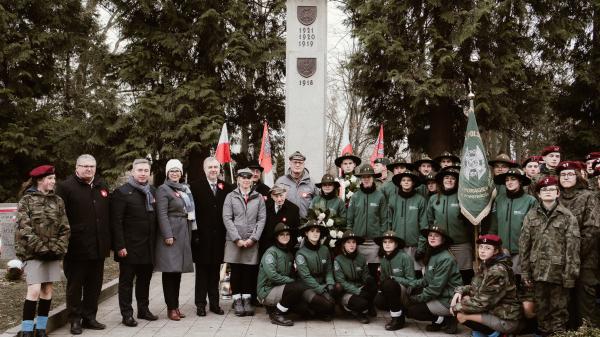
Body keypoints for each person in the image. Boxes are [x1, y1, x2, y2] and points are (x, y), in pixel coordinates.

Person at [519, 176, 580, 336]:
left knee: (559, 312)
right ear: (538, 194)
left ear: (558, 193)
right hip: (537, 272)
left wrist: (570, 275)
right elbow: (524, 246)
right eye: (544, 190)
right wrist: (525, 272)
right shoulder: (531, 216)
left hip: (558, 273)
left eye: (552, 189)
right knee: (541, 311)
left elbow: (572, 248)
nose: (548, 192)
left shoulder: (567, 216)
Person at [55, 155, 110, 334]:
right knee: (75, 286)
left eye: (92, 166)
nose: (88, 169)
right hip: (76, 247)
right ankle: (75, 319)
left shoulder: (101, 185)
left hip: (98, 245)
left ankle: (89, 317)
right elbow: (59, 217)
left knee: (94, 285)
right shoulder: (65, 187)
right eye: (84, 166)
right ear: (76, 167)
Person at [16, 165, 70, 337]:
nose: (54, 182)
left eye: (54, 179)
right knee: (34, 290)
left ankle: (41, 329)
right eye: (50, 179)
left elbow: (65, 227)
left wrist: (56, 248)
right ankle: (26, 331)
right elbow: (24, 228)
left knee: (47, 290)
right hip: (33, 253)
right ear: (40, 180)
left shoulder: (58, 201)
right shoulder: (26, 200)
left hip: (52, 252)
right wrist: (41, 248)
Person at [110, 158, 158, 327]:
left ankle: (143, 310)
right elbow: (116, 222)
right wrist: (120, 246)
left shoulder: (152, 191)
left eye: (146, 170)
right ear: (133, 172)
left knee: (145, 280)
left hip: (148, 246)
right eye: (140, 170)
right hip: (129, 247)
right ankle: (127, 314)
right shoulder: (122, 192)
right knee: (126, 282)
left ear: (149, 173)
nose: (143, 173)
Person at [556, 161, 600, 328]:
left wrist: (573, 254)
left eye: (570, 174)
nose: (566, 177)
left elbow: (592, 229)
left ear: (577, 176)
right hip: (560, 259)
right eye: (563, 174)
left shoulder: (588, 196)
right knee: (565, 302)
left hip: (586, 259)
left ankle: (589, 332)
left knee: (585, 300)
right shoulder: (555, 197)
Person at [450, 234, 522, 336]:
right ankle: (484, 332)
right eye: (481, 247)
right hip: (493, 310)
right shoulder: (486, 264)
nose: (482, 251)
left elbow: (482, 303)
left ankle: (500, 334)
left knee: (460, 314)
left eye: (487, 248)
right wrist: (460, 290)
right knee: (463, 299)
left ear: (496, 251)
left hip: (505, 319)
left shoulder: (497, 270)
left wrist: (456, 307)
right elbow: (475, 288)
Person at [190, 157, 233, 316]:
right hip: (201, 238)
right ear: (204, 169)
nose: (213, 170)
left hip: (219, 238)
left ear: (219, 169)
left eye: (216, 167)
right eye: (210, 167)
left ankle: (215, 303)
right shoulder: (194, 187)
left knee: (215, 272)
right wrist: (194, 234)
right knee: (201, 273)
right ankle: (200, 304)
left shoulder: (227, 187)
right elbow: (191, 213)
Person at [154, 159, 195, 321]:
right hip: (171, 233)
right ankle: (170, 308)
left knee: (177, 272)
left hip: (183, 230)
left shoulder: (185, 189)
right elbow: (161, 214)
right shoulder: (163, 189)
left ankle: (176, 306)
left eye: (177, 170)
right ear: (167, 173)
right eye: (171, 171)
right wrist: (167, 235)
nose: (175, 173)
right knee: (170, 271)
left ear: (181, 173)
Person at [223, 168, 266, 316]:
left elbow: (261, 219)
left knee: (249, 271)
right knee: (236, 271)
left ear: (253, 180)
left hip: (251, 241)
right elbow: (227, 218)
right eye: (243, 177)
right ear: (238, 179)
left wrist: (253, 238)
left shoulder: (258, 197)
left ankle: (247, 299)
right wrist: (237, 239)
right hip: (235, 241)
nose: (246, 180)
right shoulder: (230, 197)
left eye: (249, 178)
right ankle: (237, 300)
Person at [405, 226, 462, 334]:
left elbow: (436, 288)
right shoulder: (433, 253)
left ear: (443, 239)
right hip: (437, 295)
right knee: (410, 297)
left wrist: (417, 298)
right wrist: (411, 284)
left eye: (436, 236)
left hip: (447, 299)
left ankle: (448, 318)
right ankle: (440, 319)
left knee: (412, 311)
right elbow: (426, 280)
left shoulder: (446, 258)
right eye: (430, 235)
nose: (432, 238)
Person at [426, 167, 474, 284]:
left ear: (457, 181)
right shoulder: (433, 199)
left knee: (464, 273)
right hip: (441, 244)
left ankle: (464, 298)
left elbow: (472, 221)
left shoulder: (463, 198)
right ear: (442, 181)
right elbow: (430, 221)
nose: (449, 180)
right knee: (443, 273)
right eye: (446, 178)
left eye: (453, 178)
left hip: (461, 243)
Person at [489, 168, 537, 276]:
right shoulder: (499, 200)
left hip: (521, 250)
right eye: (507, 180)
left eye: (513, 179)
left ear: (520, 181)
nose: (509, 182)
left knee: (518, 278)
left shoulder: (530, 201)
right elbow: (494, 224)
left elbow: (535, 228)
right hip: (502, 249)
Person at [257, 223, 307, 326]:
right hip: (267, 291)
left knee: (305, 310)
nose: (285, 237)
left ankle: (274, 308)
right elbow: (273, 276)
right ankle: (276, 314)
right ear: (276, 237)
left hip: (281, 289)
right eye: (282, 234)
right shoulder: (271, 253)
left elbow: (291, 274)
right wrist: (293, 282)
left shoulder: (288, 253)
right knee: (297, 287)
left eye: (287, 234)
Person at [346, 164, 388, 278]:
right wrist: (350, 237)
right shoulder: (355, 197)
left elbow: (384, 220)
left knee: (374, 273)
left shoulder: (380, 196)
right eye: (363, 177)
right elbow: (349, 220)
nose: (366, 179)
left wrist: (381, 242)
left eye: (368, 177)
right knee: (358, 272)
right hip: (358, 241)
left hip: (374, 243)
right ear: (361, 179)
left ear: (373, 178)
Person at [387, 170, 428, 277]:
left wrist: (421, 246)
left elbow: (424, 225)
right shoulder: (393, 200)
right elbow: (389, 224)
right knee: (398, 273)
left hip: (414, 245)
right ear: (400, 183)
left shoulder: (420, 200)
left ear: (413, 183)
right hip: (397, 246)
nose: (406, 182)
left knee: (415, 274)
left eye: (409, 180)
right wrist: (389, 243)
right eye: (403, 180)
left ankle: (416, 292)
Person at [373, 230, 415, 330]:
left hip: (405, 292)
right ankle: (400, 314)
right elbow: (383, 280)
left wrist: (394, 278)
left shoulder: (404, 257)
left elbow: (412, 281)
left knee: (389, 284)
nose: (387, 244)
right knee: (378, 301)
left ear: (396, 244)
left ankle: (397, 320)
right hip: (391, 290)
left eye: (390, 242)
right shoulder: (383, 259)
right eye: (385, 242)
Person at [295, 220, 336, 320]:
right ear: (306, 233)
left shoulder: (325, 249)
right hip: (307, 287)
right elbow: (305, 277)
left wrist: (330, 284)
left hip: (322, 284)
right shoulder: (301, 253)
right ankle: (312, 310)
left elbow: (329, 269)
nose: (315, 233)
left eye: (317, 231)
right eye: (312, 231)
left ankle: (318, 310)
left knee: (334, 294)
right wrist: (322, 291)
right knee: (328, 305)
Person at [333, 230, 377, 324]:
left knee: (372, 281)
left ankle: (370, 305)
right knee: (362, 303)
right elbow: (341, 281)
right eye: (348, 242)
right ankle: (360, 312)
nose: (351, 245)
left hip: (360, 287)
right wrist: (358, 292)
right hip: (347, 292)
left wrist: (368, 281)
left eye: (354, 242)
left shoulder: (361, 258)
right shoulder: (338, 260)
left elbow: (365, 274)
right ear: (343, 245)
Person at [261, 184, 300, 257]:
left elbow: (295, 232)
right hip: (268, 248)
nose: (279, 199)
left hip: (286, 249)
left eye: (281, 195)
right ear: (271, 196)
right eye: (276, 196)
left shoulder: (294, 209)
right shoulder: (264, 207)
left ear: (286, 193)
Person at [275, 151, 318, 218]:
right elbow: (274, 203)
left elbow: (318, 203)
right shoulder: (281, 182)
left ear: (304, 165)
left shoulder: (312, 183)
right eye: (295, 162)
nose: (297, 165)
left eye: (300, 163)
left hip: (305, 224)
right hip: (286, 224)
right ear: (290, 164)